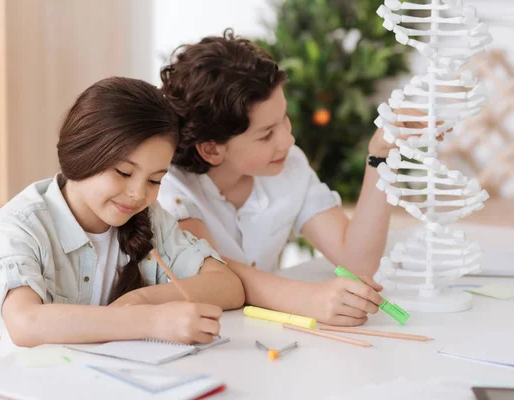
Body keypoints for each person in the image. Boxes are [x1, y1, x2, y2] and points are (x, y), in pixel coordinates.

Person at [158, 29, 437, 326]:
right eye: (267, 134)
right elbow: (213, 272)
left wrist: (380, 155)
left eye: (284, 119)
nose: (287, 140)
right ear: (212, 149)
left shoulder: (287, 165)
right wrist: (309, 299)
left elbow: (357, 262)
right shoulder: (168, 188)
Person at [0, 77, 245, 359]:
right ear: (84, 153)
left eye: (155, 180)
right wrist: (150, 320)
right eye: (123, 172)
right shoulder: (23, 222)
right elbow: (25, 323)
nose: (137, 194)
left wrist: (140, 300)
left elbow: (227, 286)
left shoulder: (150, 218)